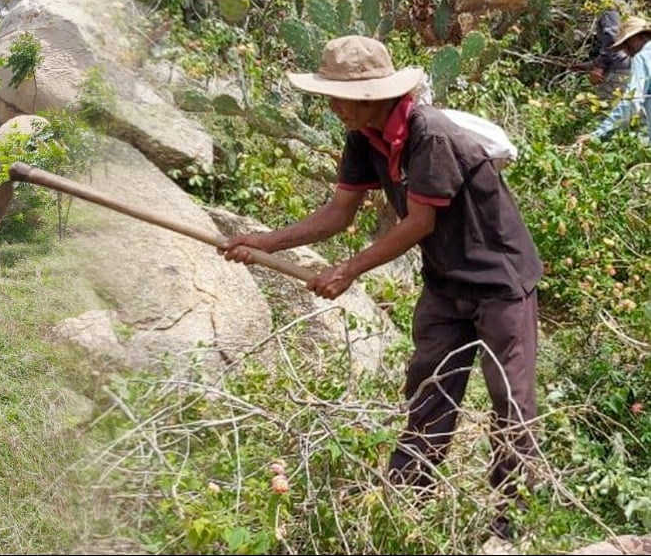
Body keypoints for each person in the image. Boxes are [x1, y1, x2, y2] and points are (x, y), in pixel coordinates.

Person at [219, 35, 543, 538]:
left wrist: (348, 270)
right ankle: (407, 503)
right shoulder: (363, 138)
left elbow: (418, 223)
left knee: (510, 401)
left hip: (500, 281)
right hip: (445, 283)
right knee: (429, 388)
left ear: (373, 96)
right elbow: (338, 214)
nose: (332, 106)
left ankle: (512, 523)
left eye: (339, 96)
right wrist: (262, 242)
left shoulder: (430, 135)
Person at [575, 16, 651, 146]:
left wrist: (597, 134)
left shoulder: (642, 57)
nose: (626, 51)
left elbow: (632, 101)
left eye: (626, 45)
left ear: (634, 39)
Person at [571, 0, 631, 101]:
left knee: (607, 107)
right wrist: (591, 64)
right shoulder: (624, 7)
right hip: (629, 65)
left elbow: (612, 38)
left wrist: (599, 67)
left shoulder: (609, 7)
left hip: (618, 67)